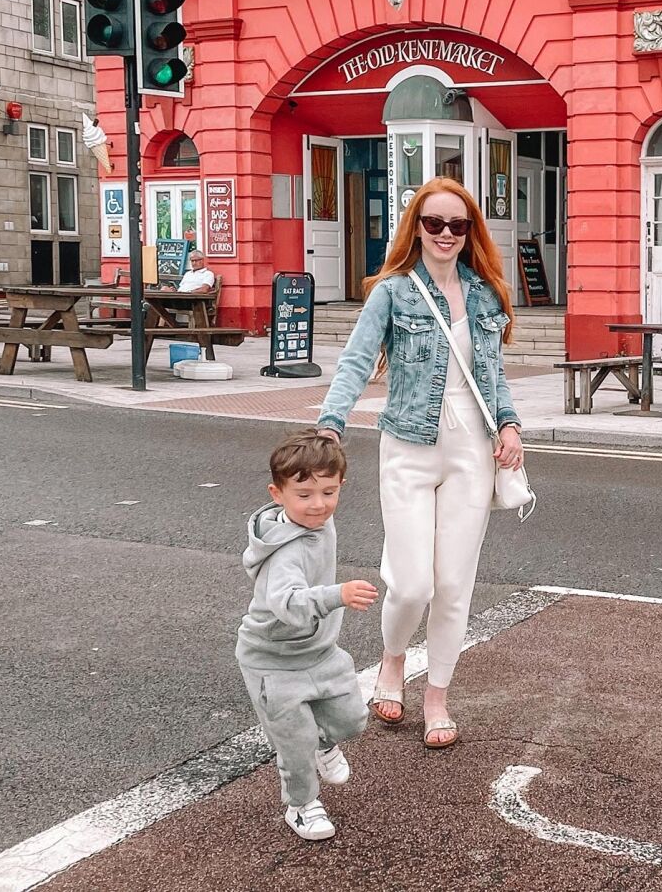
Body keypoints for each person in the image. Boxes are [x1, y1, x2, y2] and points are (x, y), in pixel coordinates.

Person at [316, 176, 524, 750]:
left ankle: (436, 696)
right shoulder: (393, 292)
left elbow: (494, 375)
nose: (445, 234)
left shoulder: (484, 294)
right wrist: (332, 423)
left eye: (457, 224)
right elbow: (356, 361)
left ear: (470, 231)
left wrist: (509, 424)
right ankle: (392, 660)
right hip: (408, 445)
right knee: (411, 586)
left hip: (472, 449)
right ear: (417, 227)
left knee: (453, 585)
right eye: (434, 223)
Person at [236, 431, 378, 842]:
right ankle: (301, 806)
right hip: (272, 660)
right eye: (304, 494)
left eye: (328, 492)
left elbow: (319, 484)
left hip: (318, 651)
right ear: (277, 494)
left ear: (341, 486)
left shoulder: (319, 519)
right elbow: (287, 603)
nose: (318, 504)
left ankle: (324, 744)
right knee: (294, 745)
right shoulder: (284, 553)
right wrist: (338, 595)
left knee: (352, 719)